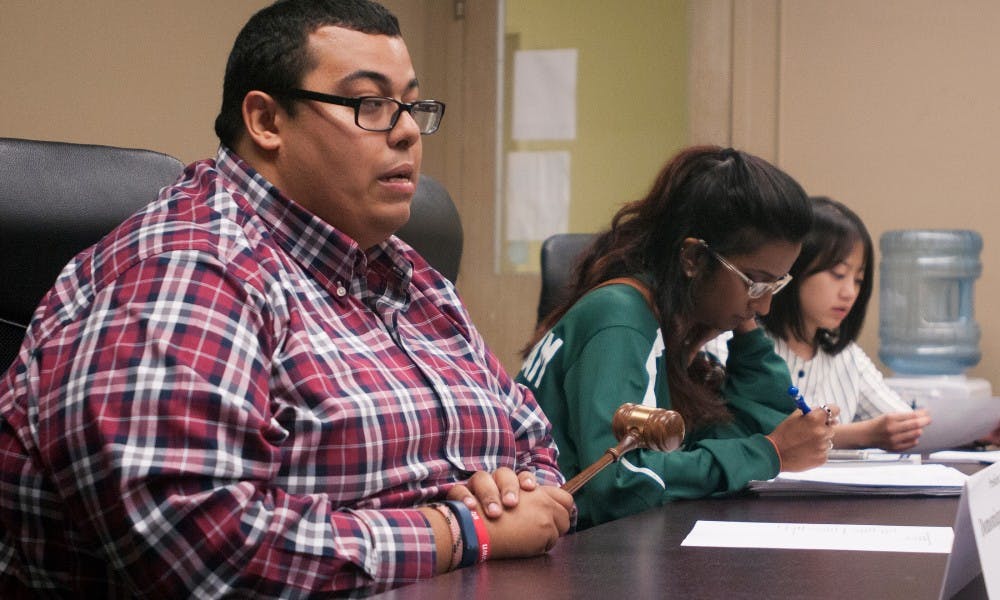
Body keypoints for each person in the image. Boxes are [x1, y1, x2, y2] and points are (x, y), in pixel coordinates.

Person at [0, 1, 573, 596]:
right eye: (370, 105)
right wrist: (456, 532)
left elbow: (533, 441)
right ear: (267, 121)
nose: (405, 130)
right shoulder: (188, 269)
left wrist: (511, 498)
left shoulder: (408, 273)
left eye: (411, 106)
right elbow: (203, 546)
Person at [516, 145, 837, 530]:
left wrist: (746, 329)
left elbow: (758, 431)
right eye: (755, 282)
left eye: (776, 285)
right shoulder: (621, 320)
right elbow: (619, 480)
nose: (766, 306)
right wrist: (767, 453)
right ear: (694, 260)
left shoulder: (675, 327)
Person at [704, 197, 932, 451]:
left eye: (858, 279)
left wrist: (910, 426)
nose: (849, 293)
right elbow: (746, 432)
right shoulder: (733, 343)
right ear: (793, 269)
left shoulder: (847, 357)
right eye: (838, 275)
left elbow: (900, 424)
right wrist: (861, 434)